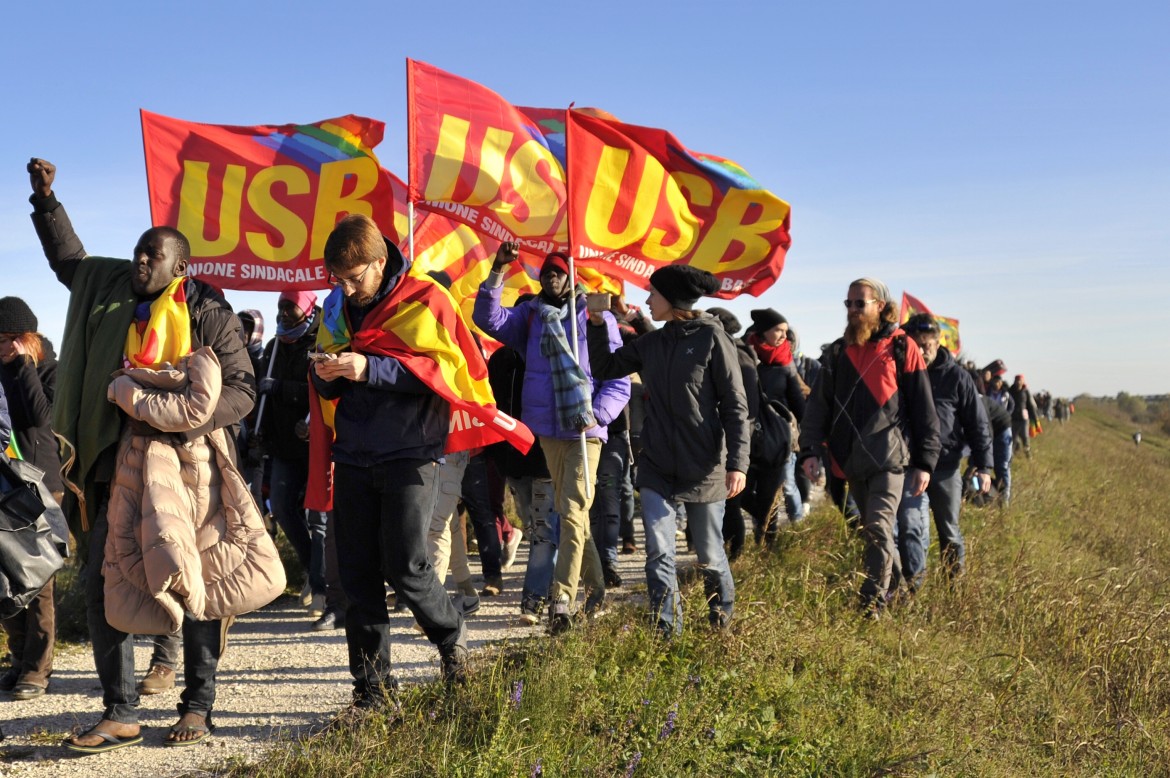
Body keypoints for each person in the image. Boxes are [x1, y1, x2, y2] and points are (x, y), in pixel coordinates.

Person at [27, 158, 282, 751]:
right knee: (102, 585)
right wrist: (46, 203)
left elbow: (241, 391)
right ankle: (120, 710)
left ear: (180, 266)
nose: (141, 263)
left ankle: (197, 707)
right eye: (139, 253)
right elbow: (72, 262)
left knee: (196, 583)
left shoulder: (206, 311)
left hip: (188, 473)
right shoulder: (113, 292)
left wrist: (174, 421)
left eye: (153, 256)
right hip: (115, 468)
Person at [309, 213, 472, 707]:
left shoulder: (427, 298)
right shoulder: (335, 306)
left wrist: (369, 367)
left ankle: (451, 640)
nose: (345, 288)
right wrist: (326, 372)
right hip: (354, 452)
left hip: (411, 452)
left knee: (407, 567)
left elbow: (445, 371)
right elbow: (323, 382)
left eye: (354, 278)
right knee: (357, 578)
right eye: (337, 279)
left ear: (380, 263)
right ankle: (373, 691)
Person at [474, 244, 630, 633]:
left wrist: (597, 414)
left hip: (585, 430)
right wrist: (498, 270)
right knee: (572, 514)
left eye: (559, 272)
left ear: (570, 276)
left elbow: (618, 378)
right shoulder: (529, 316)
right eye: (546, 272)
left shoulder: (594, 317)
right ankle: (596, 591)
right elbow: (487, 318)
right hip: (547, 429)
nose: (551, 277)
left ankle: (561, 601)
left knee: (572, 513)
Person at [588, 265, 748, 636]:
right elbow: (606, 366)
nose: (647, 300)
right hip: (657, 464)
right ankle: (666, 634)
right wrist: (598, 326)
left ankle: (719, 626)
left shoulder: (712, 338)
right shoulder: (653, 343)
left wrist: (737, 463)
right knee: (659, 552)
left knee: (708, 554)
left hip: (704, 466)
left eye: (654, 295)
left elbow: (735, 405)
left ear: (673, 300)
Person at [798, 278, 940, 616]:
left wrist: (925, 463)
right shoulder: (836, 352)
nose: (853, 310)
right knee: (871, 532)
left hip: (890, 460)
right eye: (848, 304)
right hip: (848, 460)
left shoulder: (902, 347)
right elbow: (818, 407)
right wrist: (809, 450)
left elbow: (924, 410)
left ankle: (870, 605)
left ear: (880, 306)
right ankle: (898, 588)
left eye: (860, 303)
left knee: (878, 527)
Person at [259, 289, 347, 629]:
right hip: (283, 446)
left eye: (290, 306)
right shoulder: (275, 346)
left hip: (315, 443)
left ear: (308, 308)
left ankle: (323, 588)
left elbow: (316, 388)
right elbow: (262, 392)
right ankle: (315, 565)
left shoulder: (320, 342)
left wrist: (279, 388)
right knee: (281, 507)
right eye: (280, 306)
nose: (283, 313)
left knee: (319, 518)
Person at [893, 314, 993, 589]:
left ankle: (953, 586)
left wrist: (984, 466)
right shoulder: (901, 373)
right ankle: (913, 589)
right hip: (911, 467)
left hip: (946, 468)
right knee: (911, 527)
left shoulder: (957, 378)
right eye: (917, 344)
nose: (923, 350)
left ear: (938, 343)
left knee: (948, 531)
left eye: (928, 344)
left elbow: (978, 423)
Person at [0, 297, 64, 700]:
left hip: (39, 485)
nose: (3, 346)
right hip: (4, 485)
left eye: (11, 339)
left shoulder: (51, 370)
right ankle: (19, 660)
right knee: (6, 579)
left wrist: (24, 367)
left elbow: (41, 417)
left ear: (29, 339)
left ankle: (38, 671)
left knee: (36, 578)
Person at [744, 308, 807, 542]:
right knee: (742, 492)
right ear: (763, 331)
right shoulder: (745, 357)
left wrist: (811, 437)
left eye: (785, 331)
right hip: (748, 436)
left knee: (773, 494)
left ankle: (767, 544)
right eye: (778, 330)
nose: (783, 335)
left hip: (779, 439)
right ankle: (761, 521)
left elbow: (799, 404)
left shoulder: (785, 364)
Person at [1009, 374, 1039, 459]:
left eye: (1020, 380)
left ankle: (1028, 455)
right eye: (1017, 380)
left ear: (1023, 381)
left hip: (1024, 419)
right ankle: (1011, 456)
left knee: (1025, 437)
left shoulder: (1026, 391)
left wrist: (1035, 418)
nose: (1018, 382)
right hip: (1013, 418)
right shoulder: (1010, 391)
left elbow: (1031, 406)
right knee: (1013, 439)